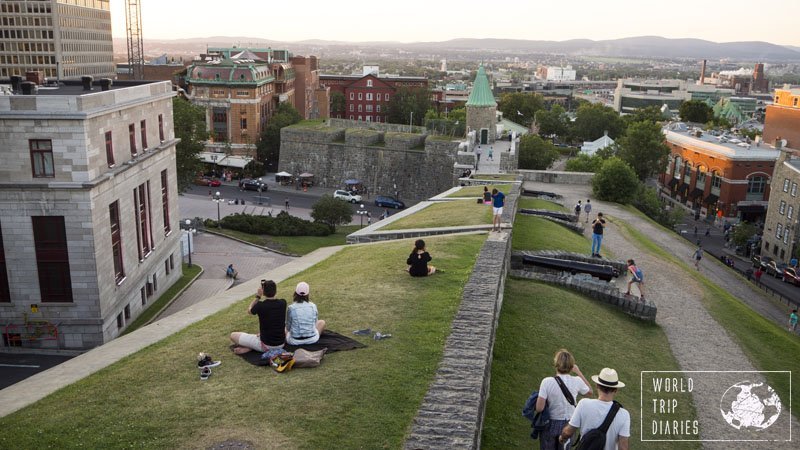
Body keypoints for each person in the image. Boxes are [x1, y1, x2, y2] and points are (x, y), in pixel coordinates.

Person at [559, 367, 630, 450]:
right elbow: (623, 447)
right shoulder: (624, 414)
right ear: (616, 390)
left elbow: (568, 432)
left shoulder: (584, 404)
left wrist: (562, 438)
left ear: (597, 386)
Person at [534, 350, 592, 450]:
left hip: (550, 423)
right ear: (571, 366)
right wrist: (578, 372)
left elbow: (539, 408)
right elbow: (590, 392)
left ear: (556, 364)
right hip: (569, 425)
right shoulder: (577, 381)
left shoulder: (547, 382)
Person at [229, 280, 287, 354]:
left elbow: (249, 310)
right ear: (275, 291)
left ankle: (250, 347)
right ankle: (251, 346)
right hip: (281, 344)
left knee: (233, 335)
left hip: (266, 345)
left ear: (263, 292)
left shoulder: (260, 305)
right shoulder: (283, 303)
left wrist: (258, 296)